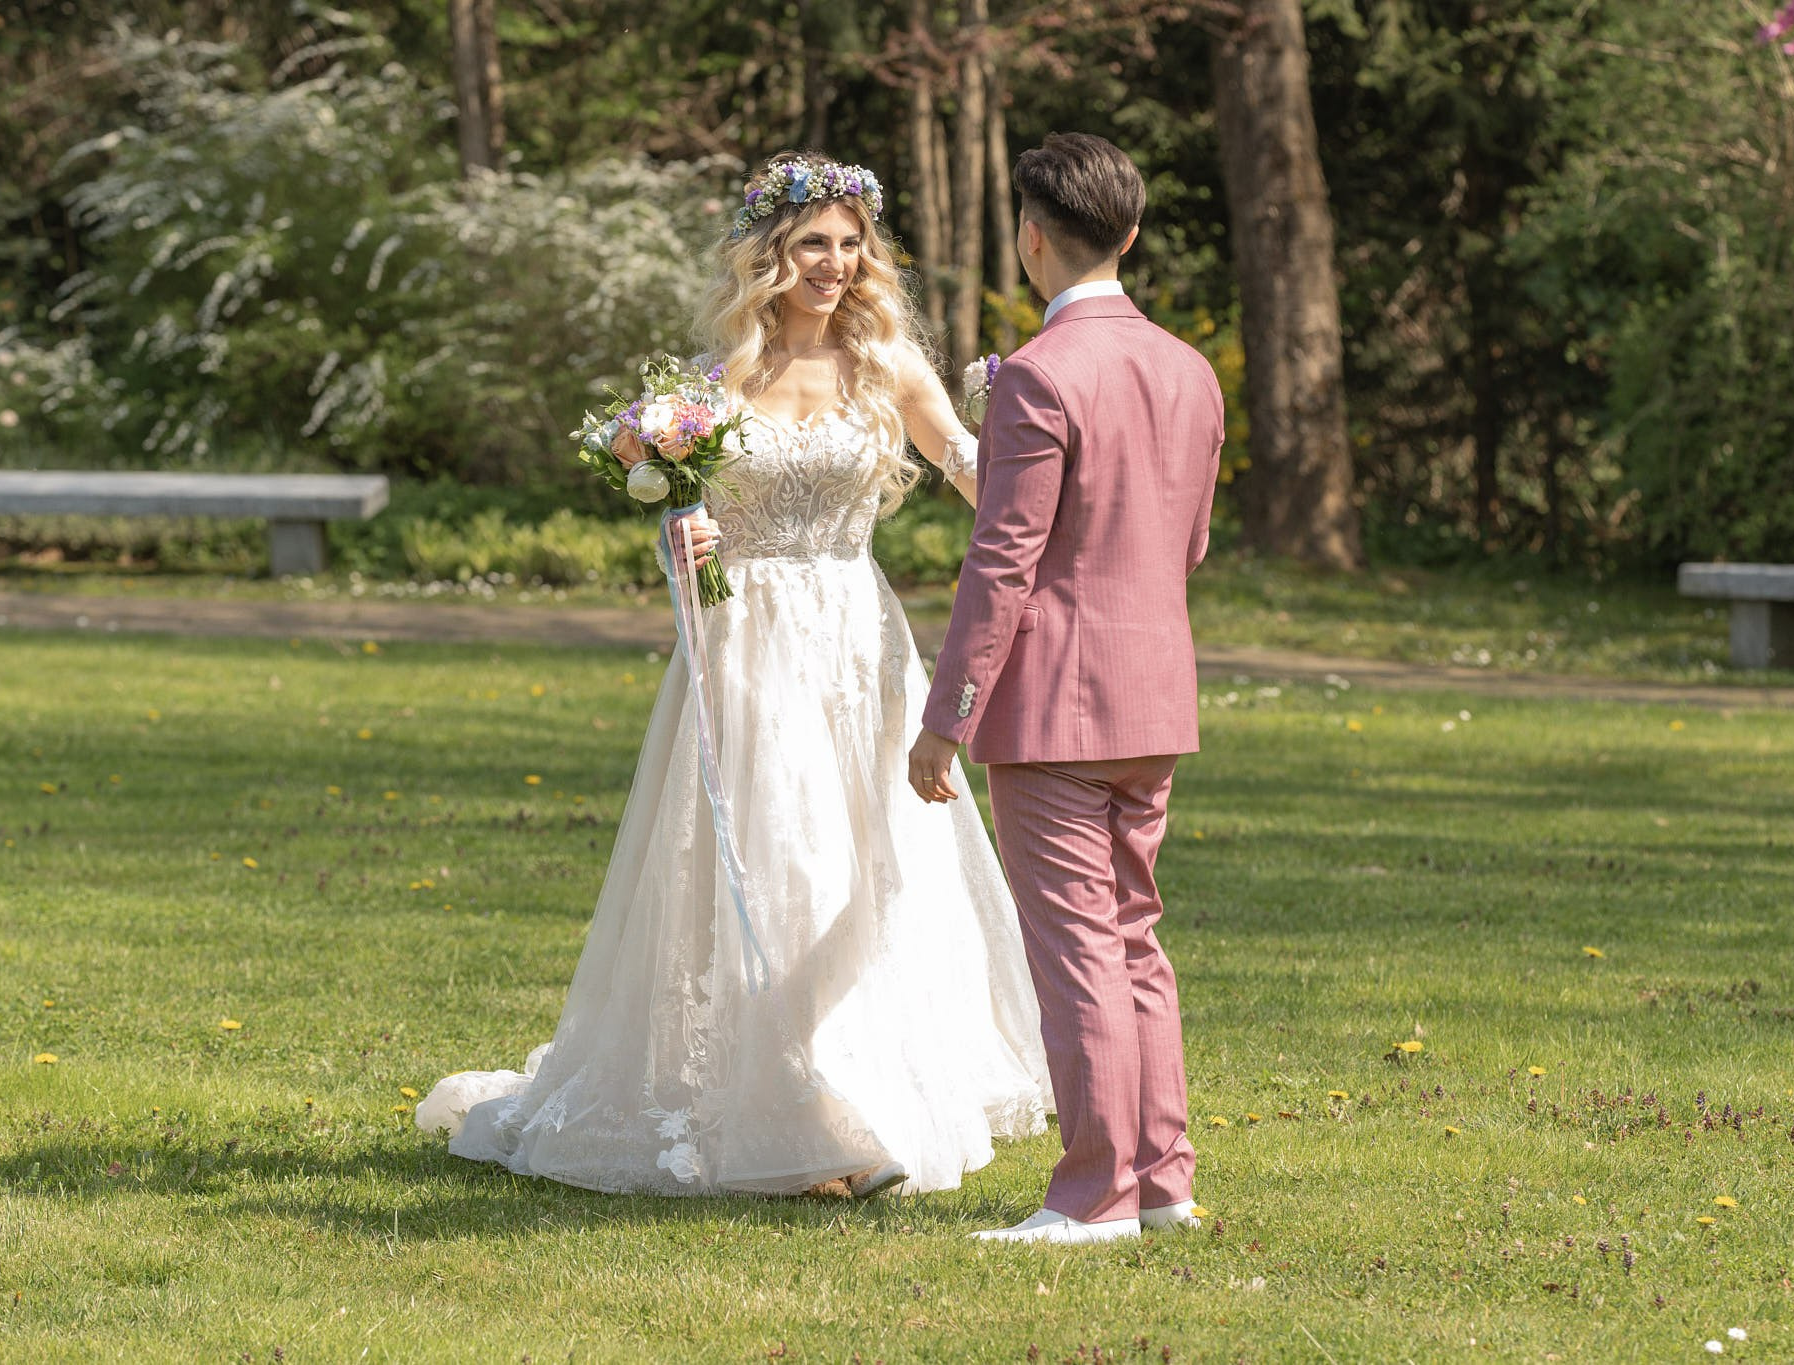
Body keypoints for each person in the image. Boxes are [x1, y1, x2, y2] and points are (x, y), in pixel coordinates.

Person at [416, 152, 1052, 1198]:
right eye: (813, 246)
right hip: (746, 643)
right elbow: (677, 502)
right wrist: (683, 526)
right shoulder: (711, 389)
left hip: (856, 636)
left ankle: (863, 1084)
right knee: (774, 854)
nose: (834, 266)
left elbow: (974, 475)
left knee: (872, 863)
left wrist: (1048, 451)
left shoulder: (888, 364)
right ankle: (804, 1115)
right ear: (769, 254)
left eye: (851, 247)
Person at [908, 133, 1225, 1244]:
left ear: (1030, 240)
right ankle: (1165, 1179)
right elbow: (1183, 543)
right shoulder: (1188, 367)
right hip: (1153, 692)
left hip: (1052, 705)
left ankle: (1093, 1193)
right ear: (1129, 234)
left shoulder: (1040, 373)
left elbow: (1002, 560)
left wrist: (944, 719)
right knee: (1134, 936)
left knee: (1078, 949)